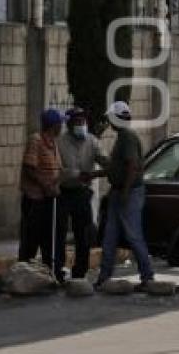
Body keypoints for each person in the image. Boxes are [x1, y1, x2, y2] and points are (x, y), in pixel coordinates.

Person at [92, 101, 155, 291]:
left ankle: (147, 276)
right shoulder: (122, 136)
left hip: (128, 192)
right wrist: (95, 174)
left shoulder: (127, 136)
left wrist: (126, 191)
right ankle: (104, 277)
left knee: (134, 235)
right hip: (118, 191)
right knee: (109, 237)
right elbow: (116, 168)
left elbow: (132, 165)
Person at [54, 107, 108, 282]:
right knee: (60, 231)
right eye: (77, 122)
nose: (81, 125)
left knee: (83, 233)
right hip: (63, 192)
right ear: (69, 124)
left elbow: (104, 159)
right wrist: (78, 174)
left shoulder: (92, 141)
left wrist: (111, 165)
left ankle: (80, 270)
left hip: (82, 193)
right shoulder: (59, 143)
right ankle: (58, 268)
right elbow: (58, 170)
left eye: (83, 122)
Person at [18, 109, 64, 272]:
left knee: (49, 240)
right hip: (35, 200)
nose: (62, 127)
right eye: (60, 124)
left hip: (49, 199)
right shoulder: (36, 140)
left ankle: (50, 272)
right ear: (54, 125)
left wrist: (57, 182)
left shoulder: (53, 143)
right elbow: (29, 168)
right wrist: (46, 186)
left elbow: (56, 169)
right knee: (30, 239)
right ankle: (23, 273)